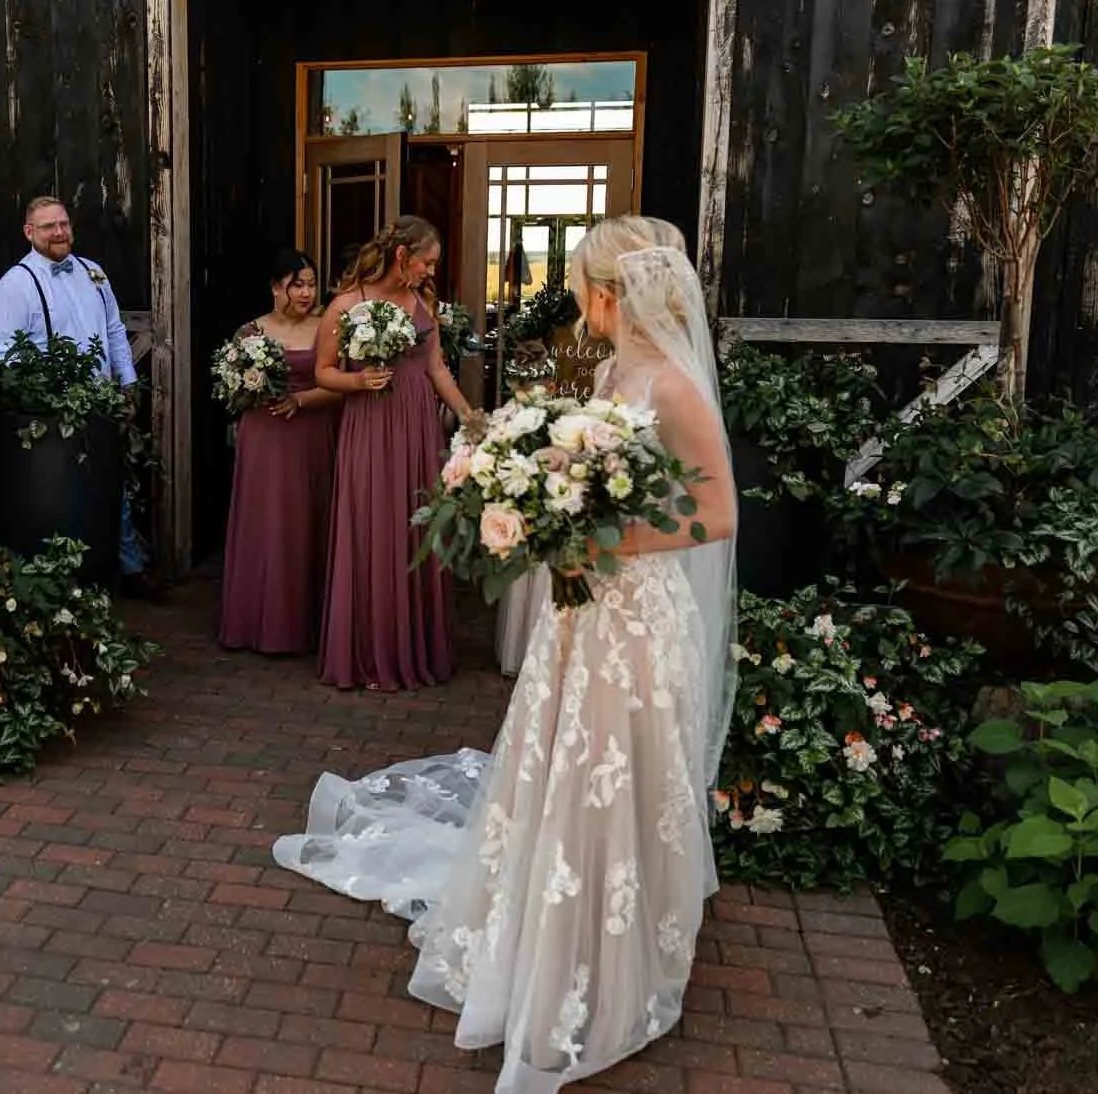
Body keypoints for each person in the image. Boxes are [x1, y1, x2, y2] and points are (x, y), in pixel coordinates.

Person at [272, 216, 740, 1093]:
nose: (578, 301)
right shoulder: (610, 370)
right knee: (567, 759)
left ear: (610, 292)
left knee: (621, 764)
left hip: (635, 611)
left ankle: (616, 939)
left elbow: (716, 515)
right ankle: (554, 916)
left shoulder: (673, 384)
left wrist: (605, 540)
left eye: (582, 285)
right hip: (582, 609)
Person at [313, 216, 479, 691]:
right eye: (427, 262)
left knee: (417, 525)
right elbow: (324, 372)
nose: (432, 271)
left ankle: (415, 648)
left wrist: (470, 417)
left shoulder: (422, 301)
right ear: (402, 256)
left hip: (416, 429)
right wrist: (358, 380)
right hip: (369, 426)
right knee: (373, 527)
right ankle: (368, 652)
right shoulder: (348, 303)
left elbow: (437, 369)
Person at [0, 195, 165, 599]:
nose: (59, 232)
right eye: (49, 226)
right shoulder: (15, 285)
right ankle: (66, 581)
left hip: (100, 402)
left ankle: (127, 567)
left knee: (110, 484)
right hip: (52, 414)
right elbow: (8, 359)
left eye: (64, 224)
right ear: (29, 232)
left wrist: (127, 381)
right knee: (60, 496)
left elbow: (115, 330)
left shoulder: (94, 273)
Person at [219, 249, 343, 654]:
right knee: (266, 520)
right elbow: (231, 389)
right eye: (297, 284)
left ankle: (306, 624)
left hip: (310, 432)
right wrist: (249, 387)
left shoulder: (327, 327)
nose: (306, 292)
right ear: (276, 288)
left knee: (308, 518)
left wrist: (301, 400)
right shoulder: (250, 333)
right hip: (264, 436)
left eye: (310, 284)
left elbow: (343, 384)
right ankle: (257, 621)